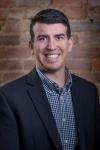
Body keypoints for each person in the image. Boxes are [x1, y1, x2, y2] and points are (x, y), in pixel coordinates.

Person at [0, 8, 100, 150]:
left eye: (59, 37)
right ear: (31, 46)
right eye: (42, 38)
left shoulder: (89, 92)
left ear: (69, 44)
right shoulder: (8, 97)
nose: (51, 46)